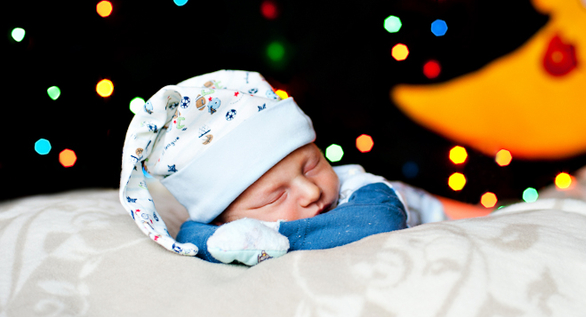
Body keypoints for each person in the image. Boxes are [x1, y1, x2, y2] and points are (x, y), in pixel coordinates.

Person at [119, 69, 489, 267]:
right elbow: (191, 236)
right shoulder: (223, 226)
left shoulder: (361, 189)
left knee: (487, 217)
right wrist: (214, 241)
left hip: (423, 205)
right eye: (275, 196)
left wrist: (278, 240)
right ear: (222, 220)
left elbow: (379, 223)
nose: (311, 192)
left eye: (311, 166)